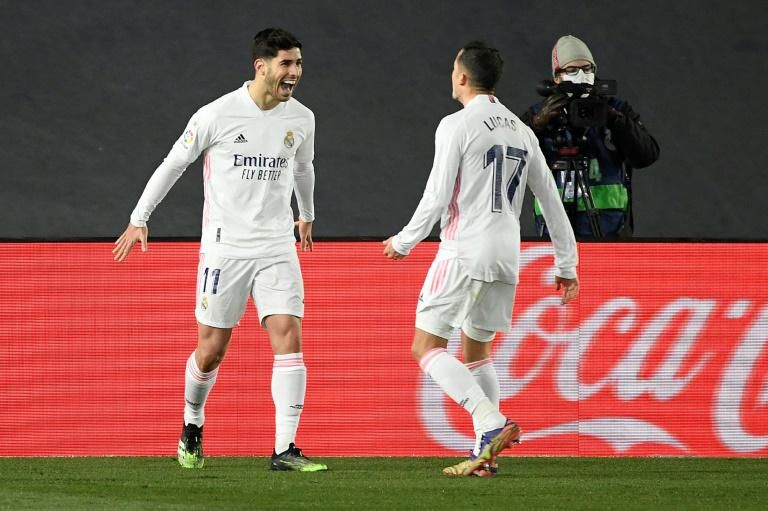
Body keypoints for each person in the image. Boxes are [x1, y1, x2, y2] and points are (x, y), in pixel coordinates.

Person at [113, 28, 327, 472]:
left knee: (288, 335)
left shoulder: (302, 118)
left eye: (299, 64)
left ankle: (284, 449)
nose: (295, 73)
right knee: (211, 350)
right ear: (261, 66)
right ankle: (192, 422)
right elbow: (174, 164)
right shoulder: (217, 114)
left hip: (276, 245)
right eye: (287, 64)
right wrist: (139, 217)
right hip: (225, 249)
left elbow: (304, 168)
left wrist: (306, 214)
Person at [383, 42, 579, 477]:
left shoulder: (456, 125)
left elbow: (437, 194)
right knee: (476, 352)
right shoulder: (521, 131)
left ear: (462, 77)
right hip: (507, 255)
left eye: (453, 68)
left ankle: (490, 421)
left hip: (465, 249)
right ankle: (484, 454)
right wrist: (567, 266)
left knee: (425, 347)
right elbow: (551, 200)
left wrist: (405, 241)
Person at [521, 35, 660, 238]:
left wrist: (615, 120)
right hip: (555, 236)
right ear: (557, 78)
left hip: (609, 233)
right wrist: (535, 125)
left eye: (587, 69)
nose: (582, 75)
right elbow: (509, 162)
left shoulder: (615, 109)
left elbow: (646, 155)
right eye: (572, 70)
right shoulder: (542, 113)